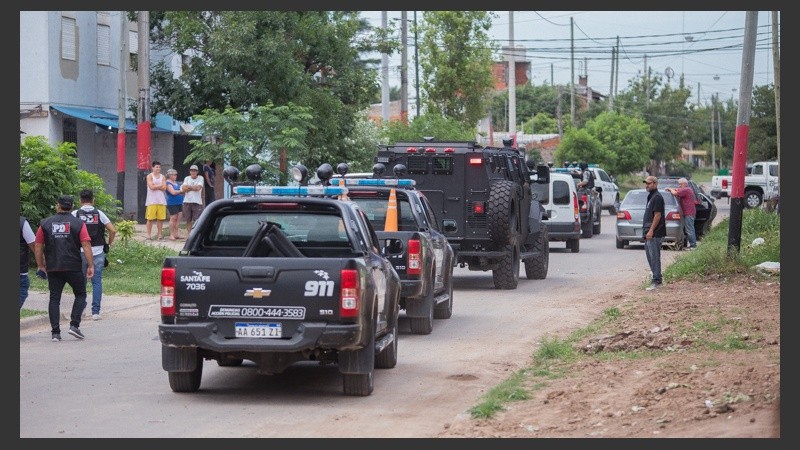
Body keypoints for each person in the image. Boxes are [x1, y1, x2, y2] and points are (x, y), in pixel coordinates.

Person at [34, 195, 94, 341]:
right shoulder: (78, 224)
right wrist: (91, 264)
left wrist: (40, 265)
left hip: (53, 266)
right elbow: (86, 245)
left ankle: (55, 333)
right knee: (80, 294)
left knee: (54, 298)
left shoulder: (45, 223)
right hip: (73, 266)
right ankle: (74, 325)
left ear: (58, 206)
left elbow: (38, 245)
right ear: (72, 206)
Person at [72, 189, 116, 320]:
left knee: (81, 282)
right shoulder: (99, 213)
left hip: (80, 252)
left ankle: (81, 310)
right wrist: (109, 243)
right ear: (93, 200)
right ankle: (95, 312)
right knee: (96, 282)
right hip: (97, 252)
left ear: (80, 200)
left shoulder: (75, 214)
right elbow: (112, 230)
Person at [642, 176, 666, 291]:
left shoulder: (657, 197)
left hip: (656, 233)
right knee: (650, 256)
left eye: (649, 183)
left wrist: (651, 230)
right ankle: (656, 277)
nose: (647, 185)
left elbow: (657, 215)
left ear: (655, 184)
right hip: (649, 232)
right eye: (646, 183)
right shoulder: (650, 196)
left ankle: (657, 281)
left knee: (654, 257)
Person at [666, 178, 697, 250]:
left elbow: (675, 193)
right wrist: (671, 189)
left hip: (689, 213)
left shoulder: (686, 190)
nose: (679, 186)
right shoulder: (686, 189)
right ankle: (691, 244)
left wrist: (670, 189)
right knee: (688, 229)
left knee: (689, 229)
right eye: (679, 184)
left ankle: (693, 245)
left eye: (680, 184)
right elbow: (677, 190)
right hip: (688, 212)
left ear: (685, 184)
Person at [145, 160, 168, 240]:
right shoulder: (149, 176)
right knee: (150, 219)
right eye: (156, 167)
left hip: (161, 200)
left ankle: (160, 235)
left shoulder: (163, 177)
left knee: (160, 219)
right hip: (151, 201)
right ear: (153, 168)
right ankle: (148, 235)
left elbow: (164, 187)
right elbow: (151, 187)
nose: (158, 168)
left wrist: (156, 186)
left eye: (159, 167)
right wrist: (160, 185)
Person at [181, 164, 205, 237]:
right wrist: (192, 188)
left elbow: (198, 188)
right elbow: (184, 189)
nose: (193, 172)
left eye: (195, 170)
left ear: (197, 172)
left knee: (197, 220)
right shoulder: (187, 178)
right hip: (187, 202)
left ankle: (196, 235)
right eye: (192, 170)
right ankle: (189, 235)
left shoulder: (200, 178)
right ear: (190, 171)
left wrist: (188, 187)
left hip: (197, 202)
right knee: (188, 220)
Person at [20, 216, 36, 309]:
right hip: (20, 270)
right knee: (21, 291)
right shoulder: (22, 222)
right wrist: (42, 263)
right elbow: (34, 245)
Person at [165, 168, 185, 240]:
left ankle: (176, 233)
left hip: (179, 202)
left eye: (176, 174)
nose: (176, 176)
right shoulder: (168, 182)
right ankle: (171, 234)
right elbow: (173, 192)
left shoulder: (175, 182)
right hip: (172, 203)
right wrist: (181, 191)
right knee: (173, 218)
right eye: (174, 175)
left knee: (178, 218)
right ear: (170, 175)